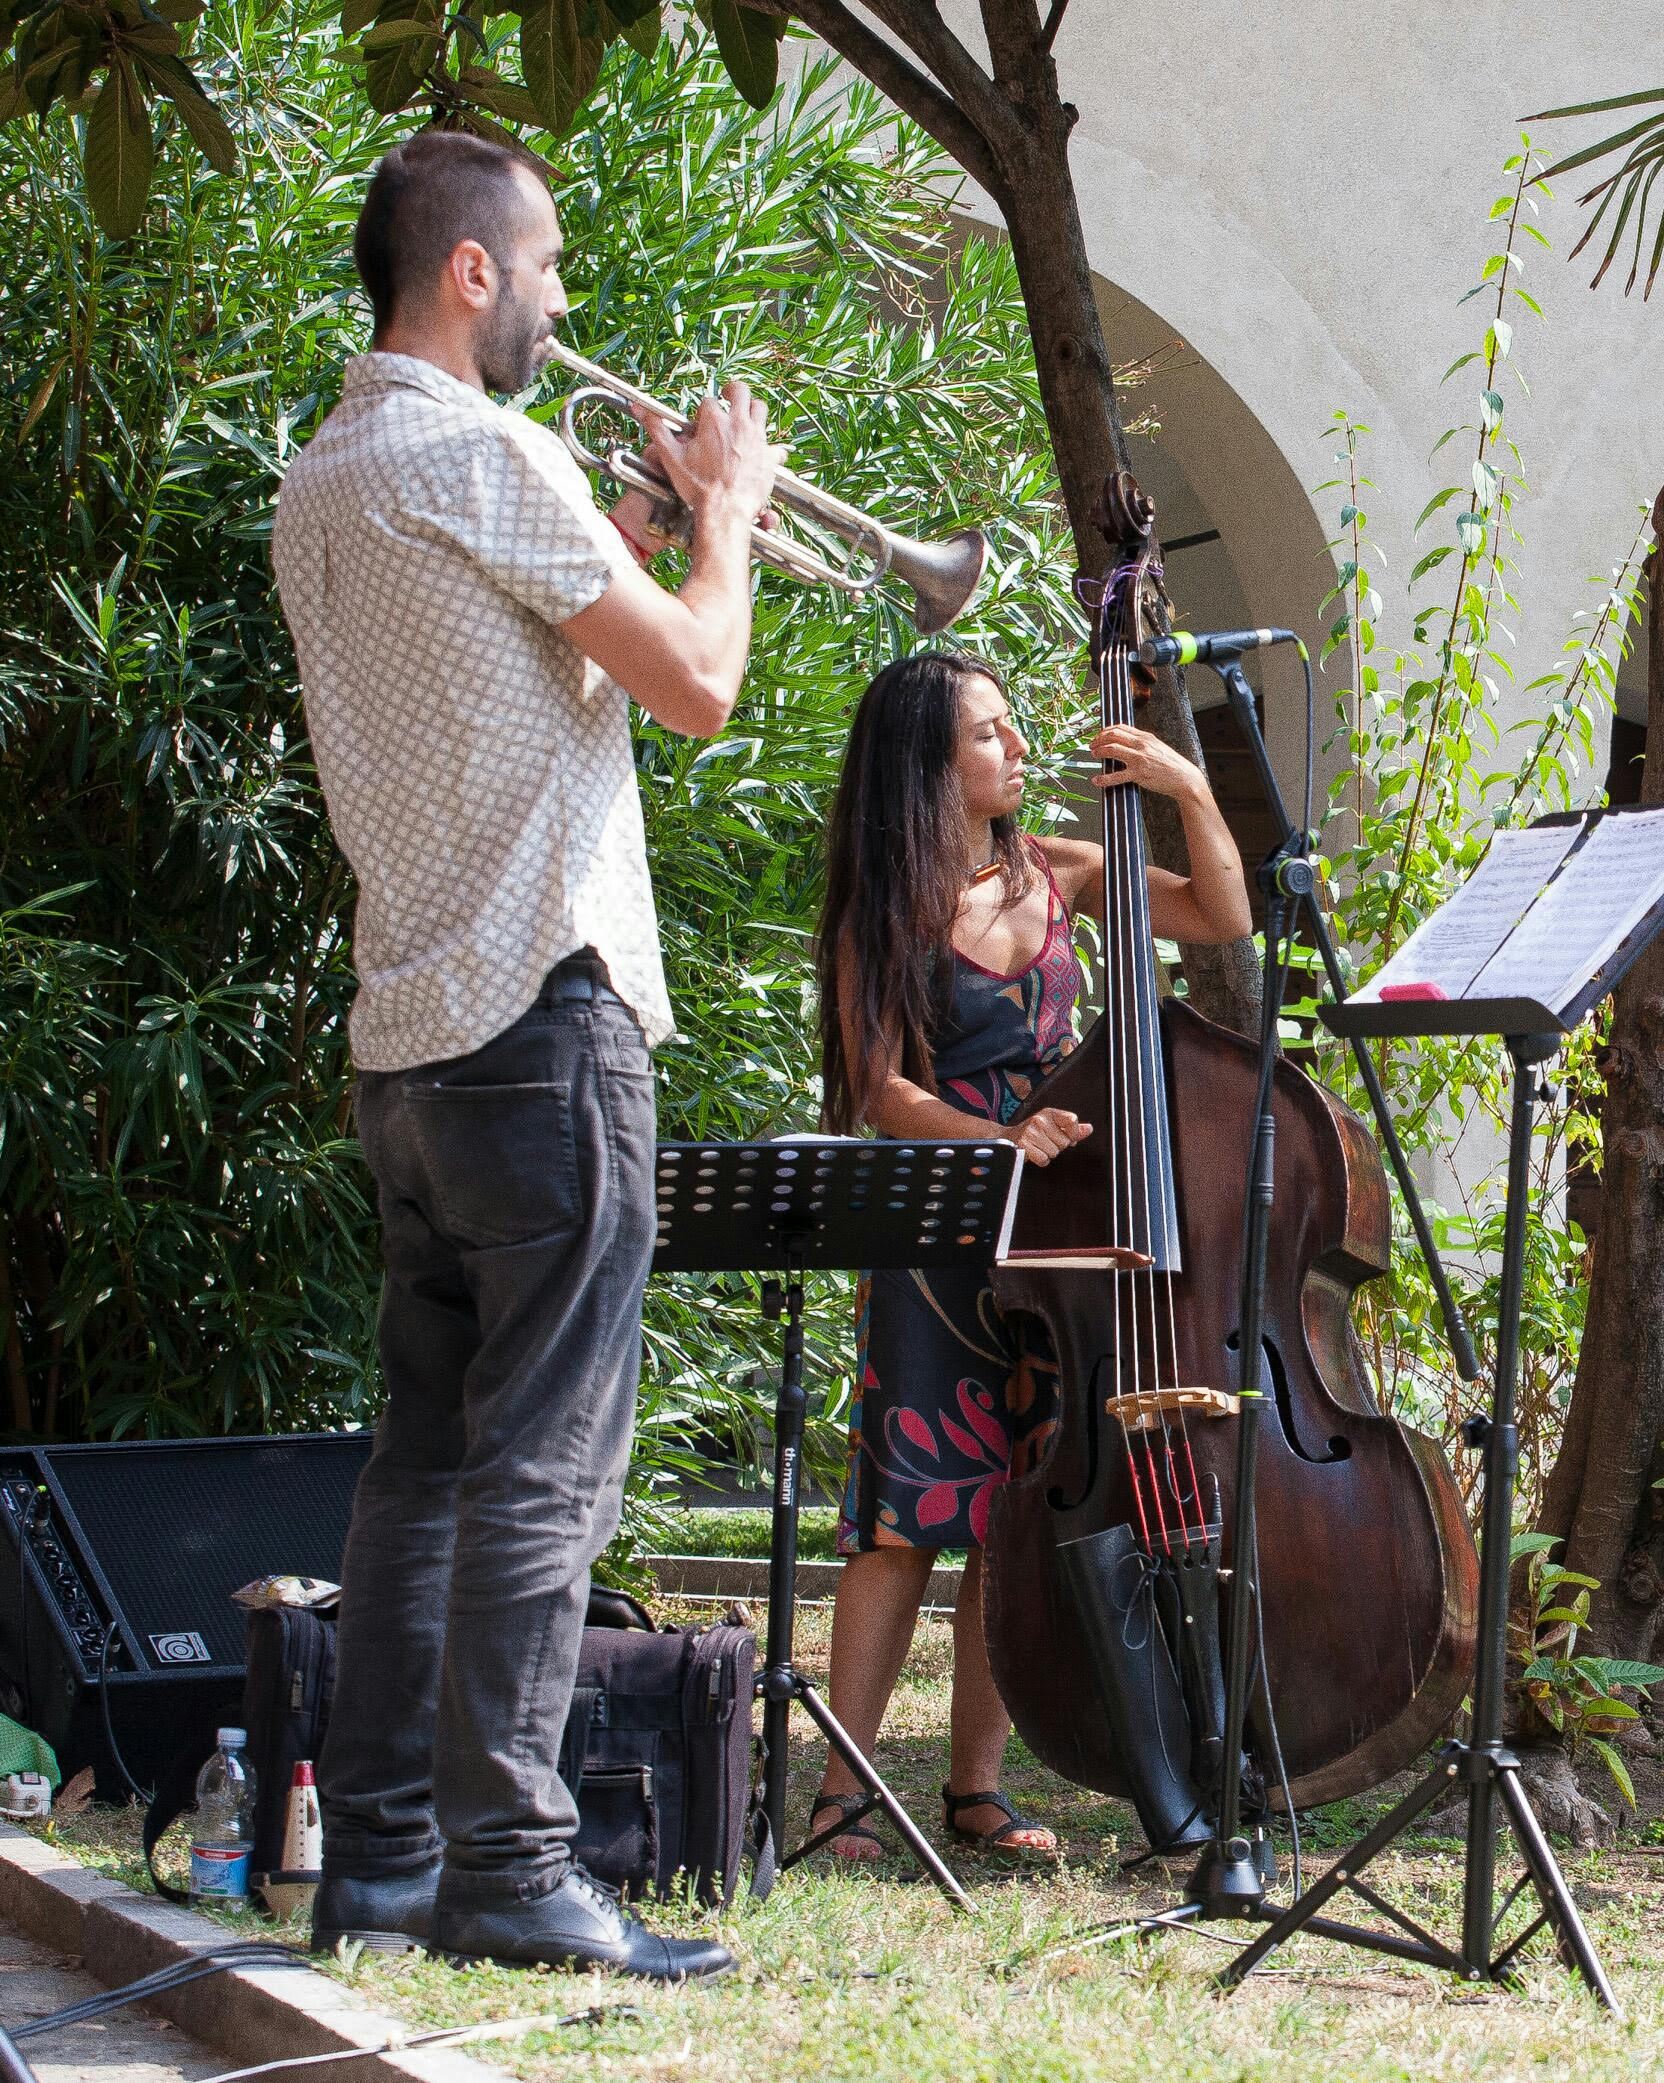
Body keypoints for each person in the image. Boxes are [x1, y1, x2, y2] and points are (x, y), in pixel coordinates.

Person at [274, 129, 784, 1979]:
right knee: (547, 1466)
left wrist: (623, 535)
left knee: (422, 1464)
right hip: (543, 1014)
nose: (565, 300)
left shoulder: (330, 470)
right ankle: (518, 1861)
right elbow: (699, 686)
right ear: (470, 270)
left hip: (408, 1035)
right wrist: (719, 519)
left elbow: (500, 696)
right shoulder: (483, 449)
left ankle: (391, 1856)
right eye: (546, 262)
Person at [805, 650, 1249, 1864]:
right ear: (927, 766)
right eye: (987, 734)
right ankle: (843, 1793)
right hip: (940, 1228)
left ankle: (973, 1790)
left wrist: (1188, 791)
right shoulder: (883, 902)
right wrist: (993, 1138)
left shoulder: (1060, 867)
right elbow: (877, 1083)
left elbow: (1223, 914)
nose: (1014, 746)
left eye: (1009, 727)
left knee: (1019, 1508)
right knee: (903, 1517)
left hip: (1057, 1240)